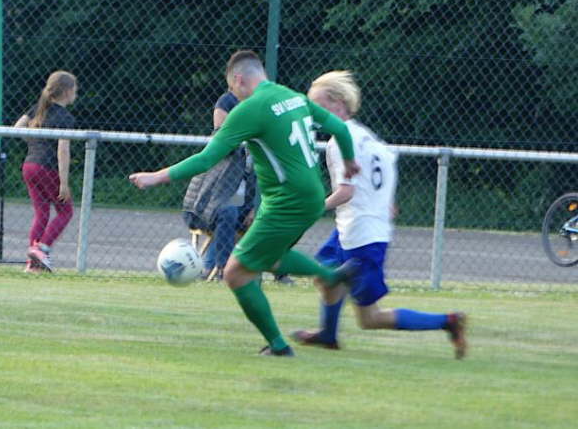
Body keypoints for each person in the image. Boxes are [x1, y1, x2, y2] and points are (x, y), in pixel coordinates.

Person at [130, 50, 360, 356]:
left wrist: (157, 177)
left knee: (236, 272)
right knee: (270, 258)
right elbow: (341, 129)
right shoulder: (291, 96)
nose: (232, 96)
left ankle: (280, 344)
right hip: (310, 196)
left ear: (238, 80)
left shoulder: (250, 109)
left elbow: (208, 157)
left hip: (287, 203)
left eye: (231, 89)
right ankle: (333, 277)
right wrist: (349, 163)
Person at [290, 71, 468, 359]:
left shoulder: (339, 141)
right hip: (353, 228)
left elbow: (346, 192)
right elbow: (387, 165)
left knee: (369, 318)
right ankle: (328, 334)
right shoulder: (367, 136)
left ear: (337, 103)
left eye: (317, 106)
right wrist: (386, 200)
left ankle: (448, 321)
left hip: (362, 235)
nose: (312, 115)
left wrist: (313, 208)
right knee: (324, 271)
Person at [183, 90, 294, 284]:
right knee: (228, 212)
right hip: (208, 205)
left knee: (272, 213)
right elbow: (215, 191)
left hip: (241, 203)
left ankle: (280, 272)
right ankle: (220, 269)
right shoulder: (223, 149)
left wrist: (253, 207)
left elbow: (258, 185)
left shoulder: (258, 150)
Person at [14, 71, 77, 273]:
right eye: (75, 90)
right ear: (67, 92)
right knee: (66, 211)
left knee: (41, 214)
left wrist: (34, 143)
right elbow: (63, 150)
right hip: (47, 168)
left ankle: (33, 263)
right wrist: (64, 183)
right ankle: (42, 248)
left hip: (29, 166)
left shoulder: (38, 110)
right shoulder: (65, 117)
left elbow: (17, 128)